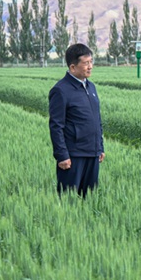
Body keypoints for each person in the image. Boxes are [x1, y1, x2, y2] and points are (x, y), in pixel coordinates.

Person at [48, 43, 105, 197]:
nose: (90, 66)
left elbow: (96, 120)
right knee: (69, 202)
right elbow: (56, 126)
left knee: (90, 201)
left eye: (91, 62)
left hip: (92, 154)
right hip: (73, 157)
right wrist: (62, 156)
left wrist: (100, 147)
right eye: (86, 63)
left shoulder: (91, 87)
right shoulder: (61, 90)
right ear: (73, 67)